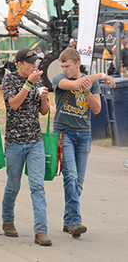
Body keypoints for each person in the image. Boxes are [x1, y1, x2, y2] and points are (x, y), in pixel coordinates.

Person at [52, 48, 115, 238]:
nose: (64, 69)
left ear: (78, 64)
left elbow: (96, 109)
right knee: (70, 176)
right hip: (64, 132)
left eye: (68, 66)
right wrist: (102, 74)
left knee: (78, 181)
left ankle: (68, 220)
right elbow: (76, 83)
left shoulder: (90, 83)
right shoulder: (58, 79)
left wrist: (88, 92)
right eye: (62, 66)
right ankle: (76, 221)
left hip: (84, 134)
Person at [1, 48, 51, 246]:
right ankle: (7, 220)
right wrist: (29, 83)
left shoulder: (38, 80)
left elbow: (44, 112)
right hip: (14, 141)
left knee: (37, 186)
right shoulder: (10, 80)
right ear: (19, 64)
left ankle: (41, 230)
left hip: (35, 140)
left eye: (35, 61)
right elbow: (13, 104)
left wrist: (45, 99)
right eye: (30, 62)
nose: (34, 65)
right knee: (13, 185)